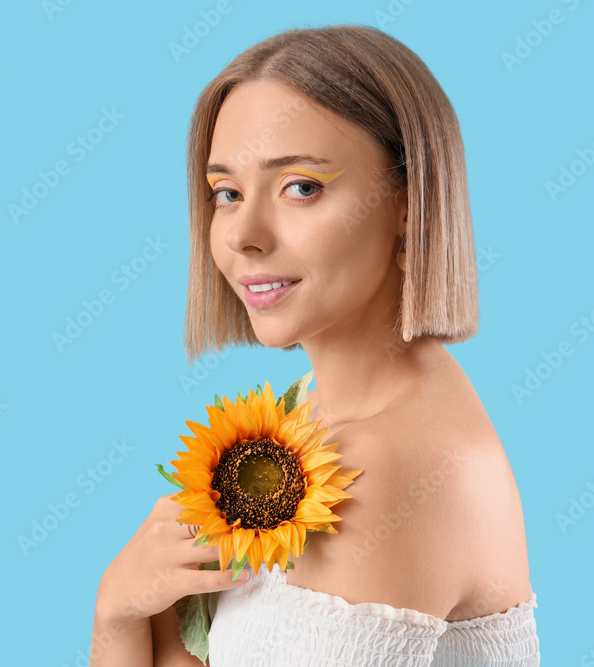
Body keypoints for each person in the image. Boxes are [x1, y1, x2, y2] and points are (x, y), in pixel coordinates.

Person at [90, 24, 539, 666]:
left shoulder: (386, 466)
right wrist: (119, 611)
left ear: (408, 202)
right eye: (227, 193)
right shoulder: (311, 414)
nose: (244, 234)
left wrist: (127, 617)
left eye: (301, 186)